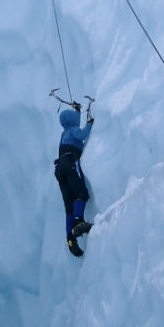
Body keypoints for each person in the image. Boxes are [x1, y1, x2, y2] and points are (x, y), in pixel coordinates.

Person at [54, 103, 94, 257]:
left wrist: (76, 110)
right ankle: (79, 222)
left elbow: (74, 119)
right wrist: (90, 124)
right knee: (80, 193)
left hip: (59, 168)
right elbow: (82, 134)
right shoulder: (73, 130)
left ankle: (70, 239)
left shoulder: (63, 134)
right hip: (71, 162)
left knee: (69, 204)